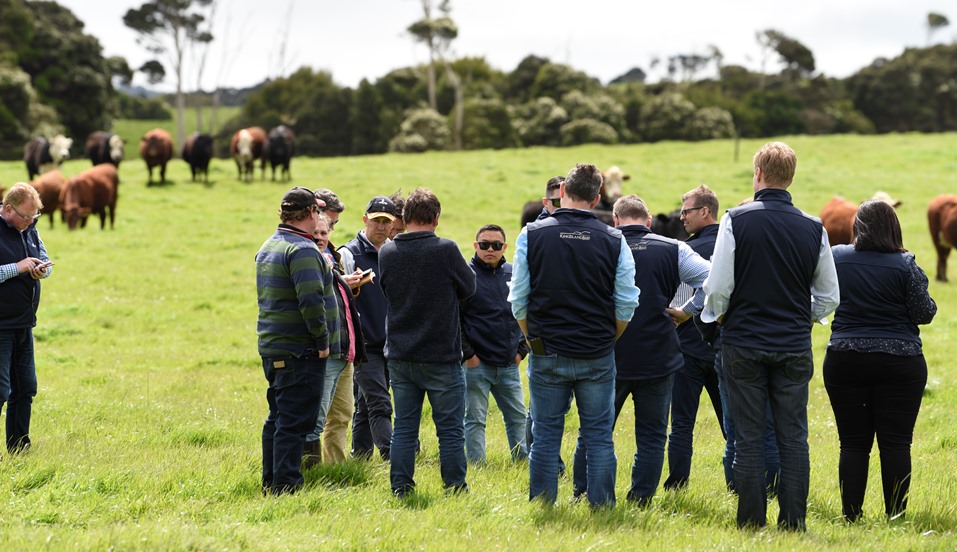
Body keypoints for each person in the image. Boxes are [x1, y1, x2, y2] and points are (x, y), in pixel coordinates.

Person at [702, 142, 840, 531]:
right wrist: (803, 318)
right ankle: (793, 523)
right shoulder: (814, 227)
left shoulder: (735, 219)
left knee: (747, 436)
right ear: (791, 177)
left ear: (758, 174)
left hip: (743, 342)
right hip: (793, 344)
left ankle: (750, 522)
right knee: (794, 437)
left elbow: (717, 287)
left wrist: (722, 317)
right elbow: (830, 295)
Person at [509, 163, 639, 508]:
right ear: (598, 197)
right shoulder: (614, 238)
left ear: (563, 190)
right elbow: (626, 303)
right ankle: (601, 507)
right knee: (598, 437)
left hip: (547, 349)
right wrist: (609, 338)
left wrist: (532, 338)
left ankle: (542, 505)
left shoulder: (531, 234)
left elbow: (518, 299)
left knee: (546, 436)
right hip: (596, 350)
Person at [572, 194, 711, 506]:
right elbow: (713, 280)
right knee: (651, 434)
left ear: (616, 221)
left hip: (607, 352)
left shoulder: (599, 245)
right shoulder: (674, 247)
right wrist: (687, 310)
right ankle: (641, 499)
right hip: (658, 354)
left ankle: (584, 493)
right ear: (649, 222)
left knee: (594, 431)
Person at [823, 200, 936, 522]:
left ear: (856, 226)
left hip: (845, 357)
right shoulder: (907, 264)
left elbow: (820, 297)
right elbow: (924, 313)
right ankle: (895, 517)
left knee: (853, 444)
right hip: (900, 361)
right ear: (894, 227)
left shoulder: (837, 257)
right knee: (896, 443)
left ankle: (851, 516)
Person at [378, 188, 476, 497]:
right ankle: (455, 488)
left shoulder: (387, 252)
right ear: (436, 218)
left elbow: (386, 290)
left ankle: (401, 487)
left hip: (400, 353)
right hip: (441, 354)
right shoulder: (445, 249)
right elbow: (470, 287)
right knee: (449, 430)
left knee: (405, 428)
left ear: (404, 219)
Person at [255, 186, 337, 494]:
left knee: (276, 418)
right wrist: (322, 341)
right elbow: (311, 302)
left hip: (273, 344)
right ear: (311, 213)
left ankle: (271, 481)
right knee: (294, 422)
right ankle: (286, 485)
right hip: (299, 349)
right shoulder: (302, 250)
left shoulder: (269, 245)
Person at [663, 185, 726, 491]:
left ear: (704, 212)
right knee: (733, 424)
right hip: (723, 348)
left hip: (687, 348)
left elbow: (677, 302)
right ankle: (739, 483)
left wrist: (683, 314)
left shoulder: (686, 251)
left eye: (686, 210)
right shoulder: (733, 247)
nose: (681, 216)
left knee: (682, 424)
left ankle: (677, 484)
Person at [460, 224, 528, 464]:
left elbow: (527, 313)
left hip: (509, 364)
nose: (490, 249)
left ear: (504, 247)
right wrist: (469, 355)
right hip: (477, 365)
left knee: (518, 416)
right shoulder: (466, 276)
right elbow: (454, 319)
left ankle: (522, 464)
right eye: (485, 244)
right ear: (475, 246)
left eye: (496, 245)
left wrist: (522, 351)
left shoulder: (515, 273)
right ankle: (477, 466)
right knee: (475, 418)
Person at [303, 210, 366, 468]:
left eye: (324, 232)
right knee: (316, 417)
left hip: (344, 350)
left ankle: (336, 469)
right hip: (324, 351)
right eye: (315, 232)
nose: (319, 237)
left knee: (342, 414)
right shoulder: (305, 259)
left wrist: (349, 284)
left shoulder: (333, 257)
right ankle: (309, 470)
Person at [340, 196, 398, 461]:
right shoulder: (348, 254)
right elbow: (339, 300)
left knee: (365, 404)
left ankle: (360, 457)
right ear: (365, 220)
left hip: (392, 343)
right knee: (379, 402)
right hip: (365, 346)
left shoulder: (394, 252)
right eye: (376, 221)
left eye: (387, 221)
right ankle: (393, 455)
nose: (382, 226)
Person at [1, 183, 53, 455]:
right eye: (26, 217)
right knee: (0, 391)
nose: (31, 222)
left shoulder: (29, 228)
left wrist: (41, 270)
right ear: (8, 209)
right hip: (1, 326)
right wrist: (17, 268)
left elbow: (43, 257)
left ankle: (19, 448)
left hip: (23, 324)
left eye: (35, 217)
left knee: (25, 389)